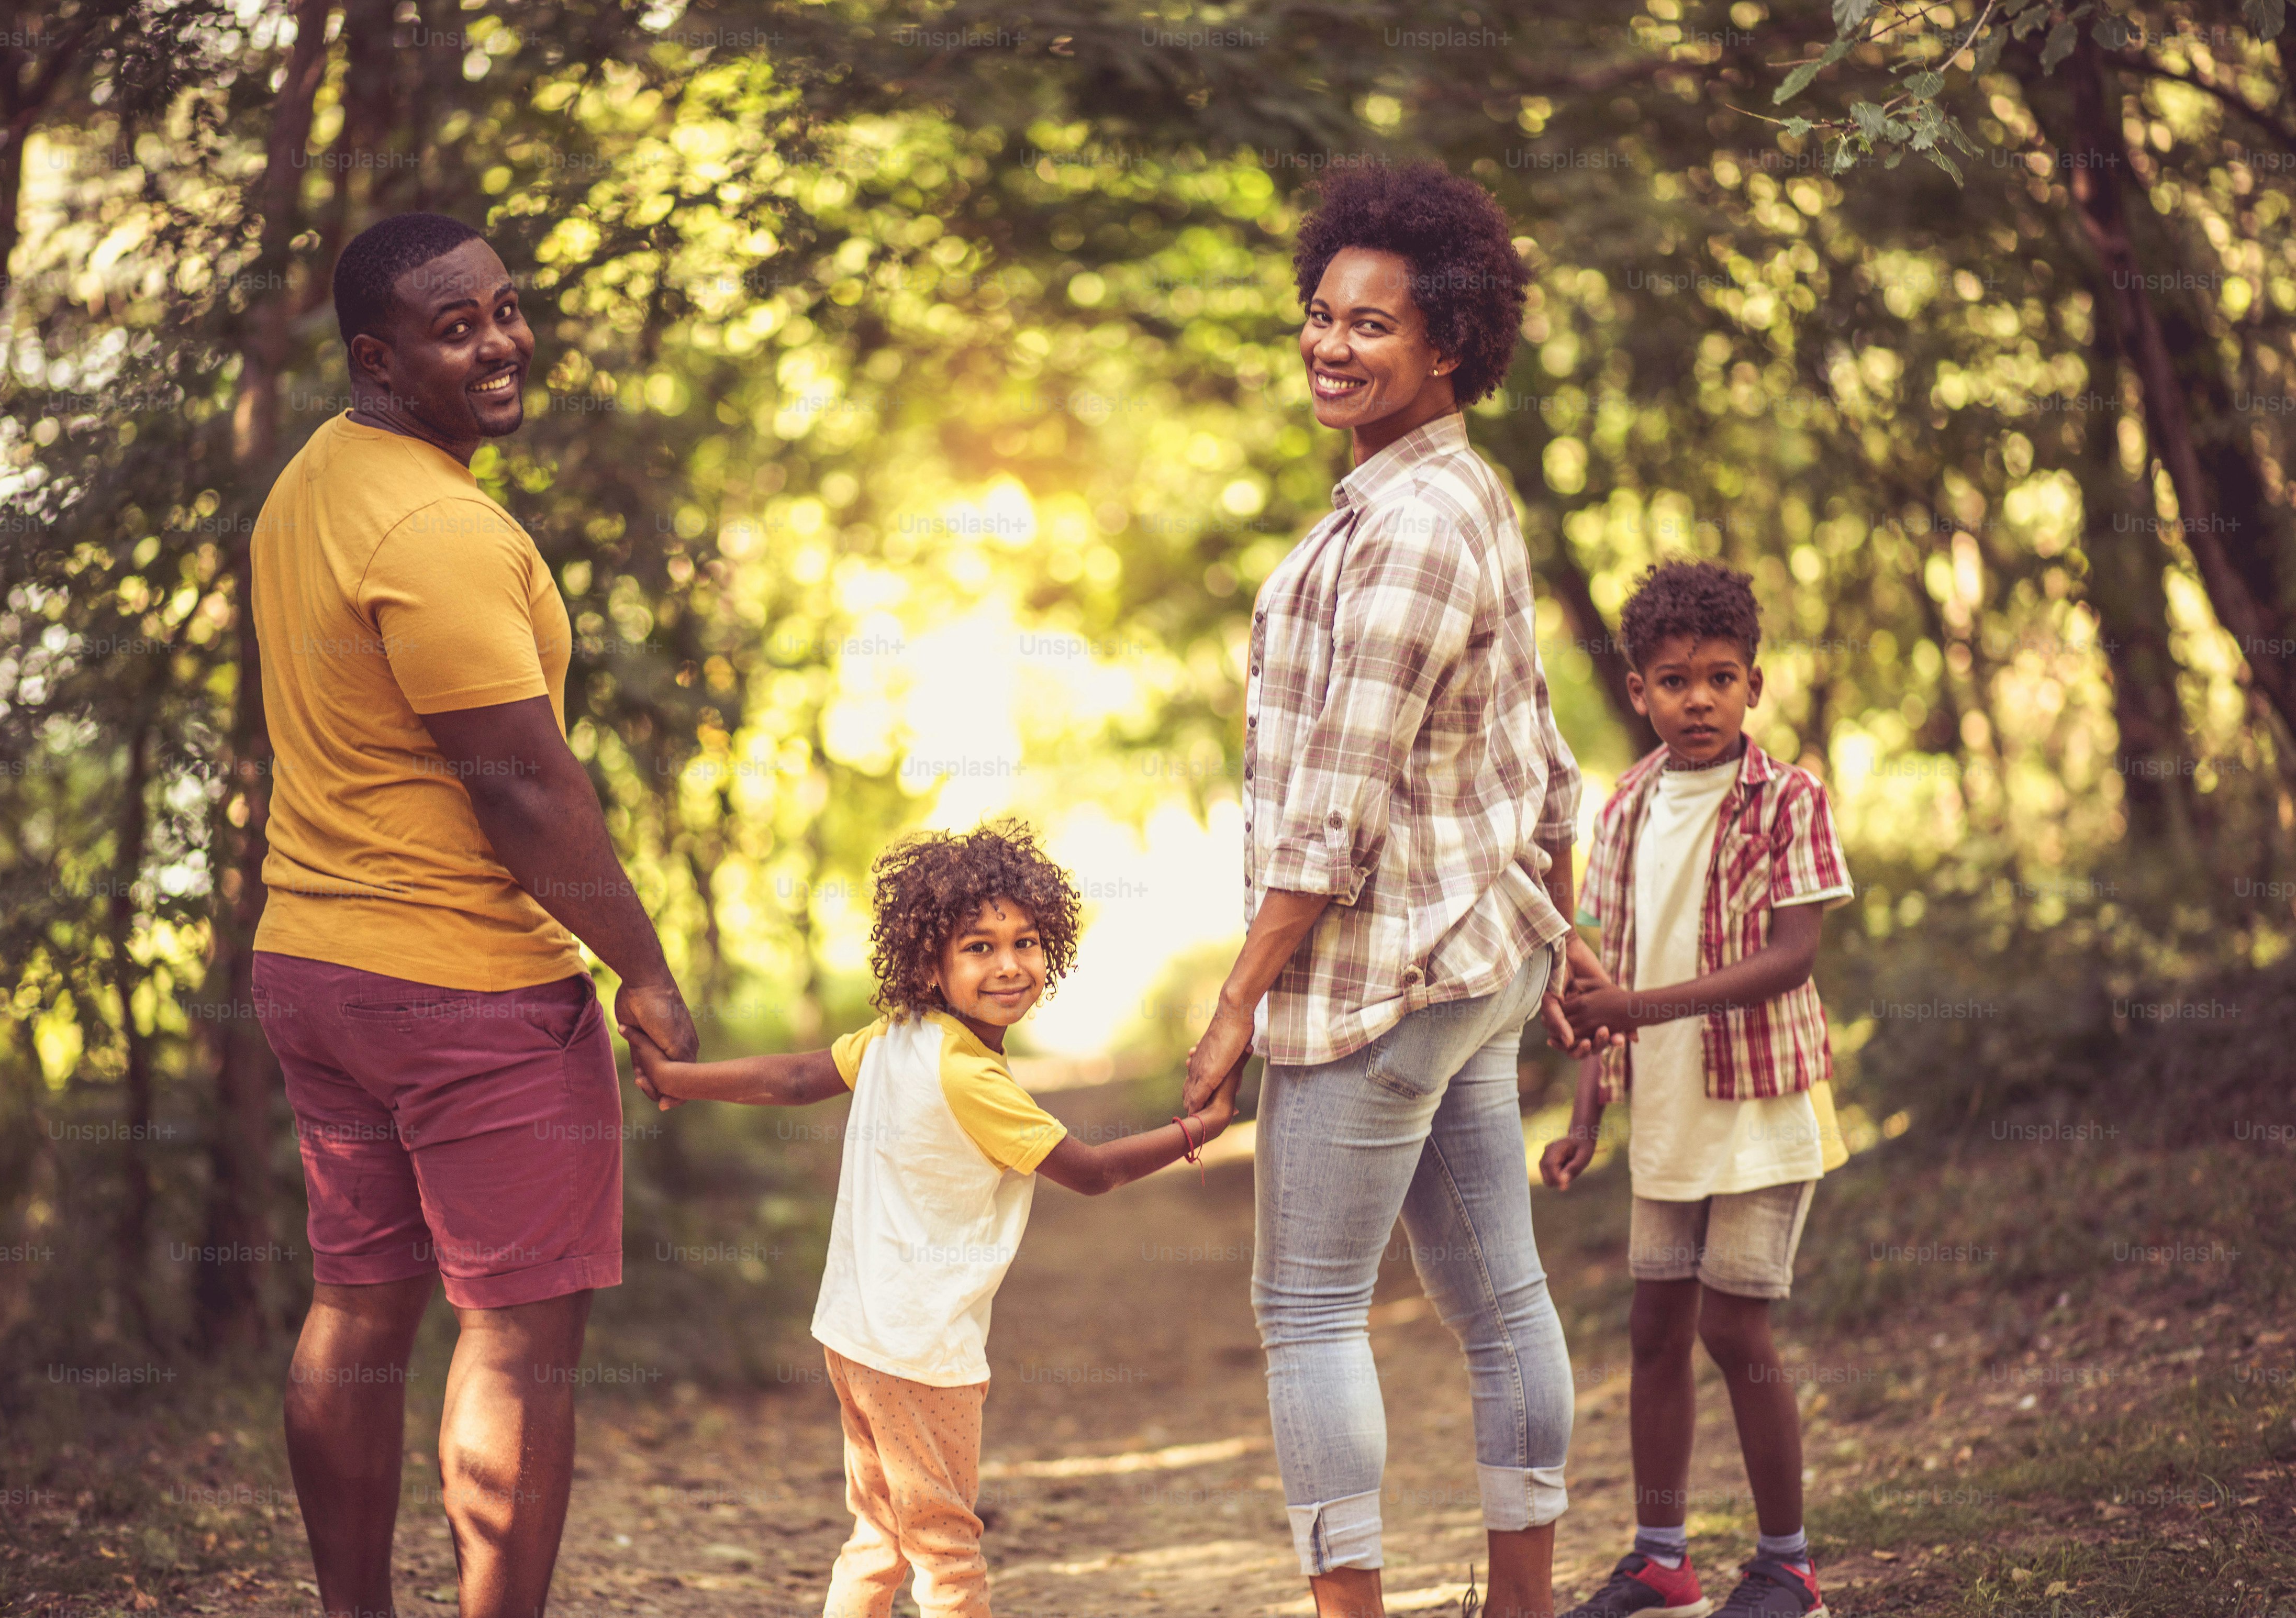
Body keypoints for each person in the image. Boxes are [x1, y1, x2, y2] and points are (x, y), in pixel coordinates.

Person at [249, 212, 697, 1618]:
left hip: (316, 966)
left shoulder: (310, 485)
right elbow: (520, 789)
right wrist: (641, 965)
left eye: (505, 310)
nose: (500, 341)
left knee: (358, 1305)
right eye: (458, 328)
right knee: (513, 1342)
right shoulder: (437, 527)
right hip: (465, 989)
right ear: (378, 357)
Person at [1179, 160, 1590, 1618]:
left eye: (1371, 326)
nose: (1330, 346)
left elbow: (1331, 820)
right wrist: (1569, 936)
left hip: (1379, 986)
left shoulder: (1410, 527)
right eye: (1318, 314)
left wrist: (1234, 1002)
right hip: (1474, 967)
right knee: (1501, 1306)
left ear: (1449, 346)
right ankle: (1522, 1602)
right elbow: (1541, 754)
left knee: (1306, 1313)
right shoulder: (1459, 494)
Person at [636, 821, 1240, 1618]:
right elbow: (1092, 1173)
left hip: (856, 1336)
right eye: (979, 946)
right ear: (932, 959)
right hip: (922, 1355)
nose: (1009, 964)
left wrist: (683, 1078)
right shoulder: (968, 1074)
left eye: (1026, 941)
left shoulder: (897, 1036)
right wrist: (1204, 1127)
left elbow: (794, 1078)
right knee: (947, 1551)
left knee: (881, 1536)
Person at [1539, 560, 1854, 1618]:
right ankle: (1661, 1557)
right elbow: (1598, 973)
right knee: (1652, 1330)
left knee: (1732, 1329)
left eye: (1719, 678)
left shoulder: (1786, 799)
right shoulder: (1623, 808)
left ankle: (1788, 1567)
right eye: (1673, 681)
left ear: (1753, 685)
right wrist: (1586, 1114)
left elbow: (1790, 956)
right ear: (1637, 692)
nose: (1698, 700)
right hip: (1665, 1110)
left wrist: (1641, 1009)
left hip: (1761, 1106)